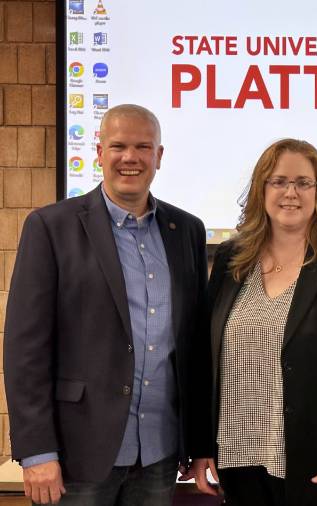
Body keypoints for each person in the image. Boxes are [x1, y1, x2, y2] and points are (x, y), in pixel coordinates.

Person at [3, 104, 208, 505]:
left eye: (143, 146)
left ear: (159, 157)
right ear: (98, 152)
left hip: (160, 452)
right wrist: (37, 450)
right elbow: (25, 351)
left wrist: (198, 442)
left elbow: (194, 346)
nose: (130, 157)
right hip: (76, 455)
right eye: (118, 146)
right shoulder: (51, 227)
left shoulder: (186, 230)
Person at [188, 138, 317, 506]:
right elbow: (205, 356)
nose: (290, 192)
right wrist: (201, 445)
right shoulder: (233, 257)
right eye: (278, 181)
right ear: (262, 189)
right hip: (236, 453)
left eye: (303, 182)